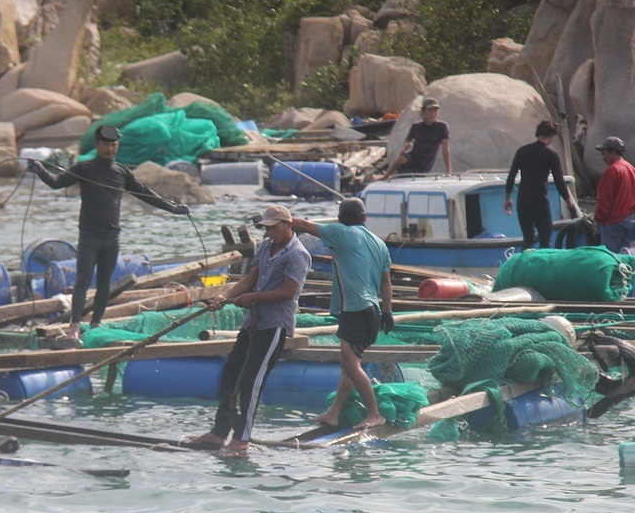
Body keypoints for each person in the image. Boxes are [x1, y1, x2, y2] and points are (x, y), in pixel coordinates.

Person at [28, 125, 190, 339]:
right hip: (89, 237)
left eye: (113, 145)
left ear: (117, 146)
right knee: (83, 281)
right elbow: (57, 183)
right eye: (105, 145)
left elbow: (146, 195)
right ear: (97, 145)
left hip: (112, 238)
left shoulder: (122, 172)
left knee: (105, 282)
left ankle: (96, 324)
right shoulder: (84, 169)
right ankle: (74, 327)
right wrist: (40, 170)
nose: (110, 149)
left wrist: (173, 208)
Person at [186, 205, 312, 453]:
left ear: (288, 225)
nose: (270, 232)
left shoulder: (297, 254)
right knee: (230, 374)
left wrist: (255, 297)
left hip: (274, 325)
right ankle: (218, 432)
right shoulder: (265, 246)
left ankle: (241, 439)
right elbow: (249, 279)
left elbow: (289, 292)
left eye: (274, 228)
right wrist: (225, 296)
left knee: (251, 383)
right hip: (252, 323)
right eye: (267, 228)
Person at [292, 198, 394, 429]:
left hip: (356, 310)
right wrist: (388, 312)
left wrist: (277, 219)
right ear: (364, 217)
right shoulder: (380, 243)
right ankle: (335, 412)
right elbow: (386, 282)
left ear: (340, 218)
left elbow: (305, 226)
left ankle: (374, 413)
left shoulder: (342, 232)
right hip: (373, 311)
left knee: (350, 366)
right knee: (350, 365)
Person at [504, 120, 580, 251]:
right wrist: (569, 201)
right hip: (540, 200)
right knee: (545, 238)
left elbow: (511, 176)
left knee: (527, 239)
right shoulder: (551, 155)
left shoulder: (522, 151)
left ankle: (524, 267)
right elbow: (559, 181)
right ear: (550, 136)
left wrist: (508, 198)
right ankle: (543, 267)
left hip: (523, 201)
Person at [376, 97, 451, 180]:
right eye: (430, 111)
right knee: (400, 160)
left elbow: (446, 150)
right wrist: (406, 146)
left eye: (435, 111)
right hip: (413, 158)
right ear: (424, 112)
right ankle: (385, 177)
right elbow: (408, 139)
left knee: (403, 175)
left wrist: (449, 172)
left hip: (424, 165)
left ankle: (392, 176)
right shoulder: (416, 126)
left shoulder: (442, 127)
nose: (433, 114)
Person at [593, 136, 635, 252]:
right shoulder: (631, 168)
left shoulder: (612, 171)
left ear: (612, 152)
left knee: (610, 256)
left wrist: (596, 220)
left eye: (604, 153)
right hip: (629, 220)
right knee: (627, 257)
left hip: (614, 223)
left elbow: (605, 200)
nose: (603, 157)